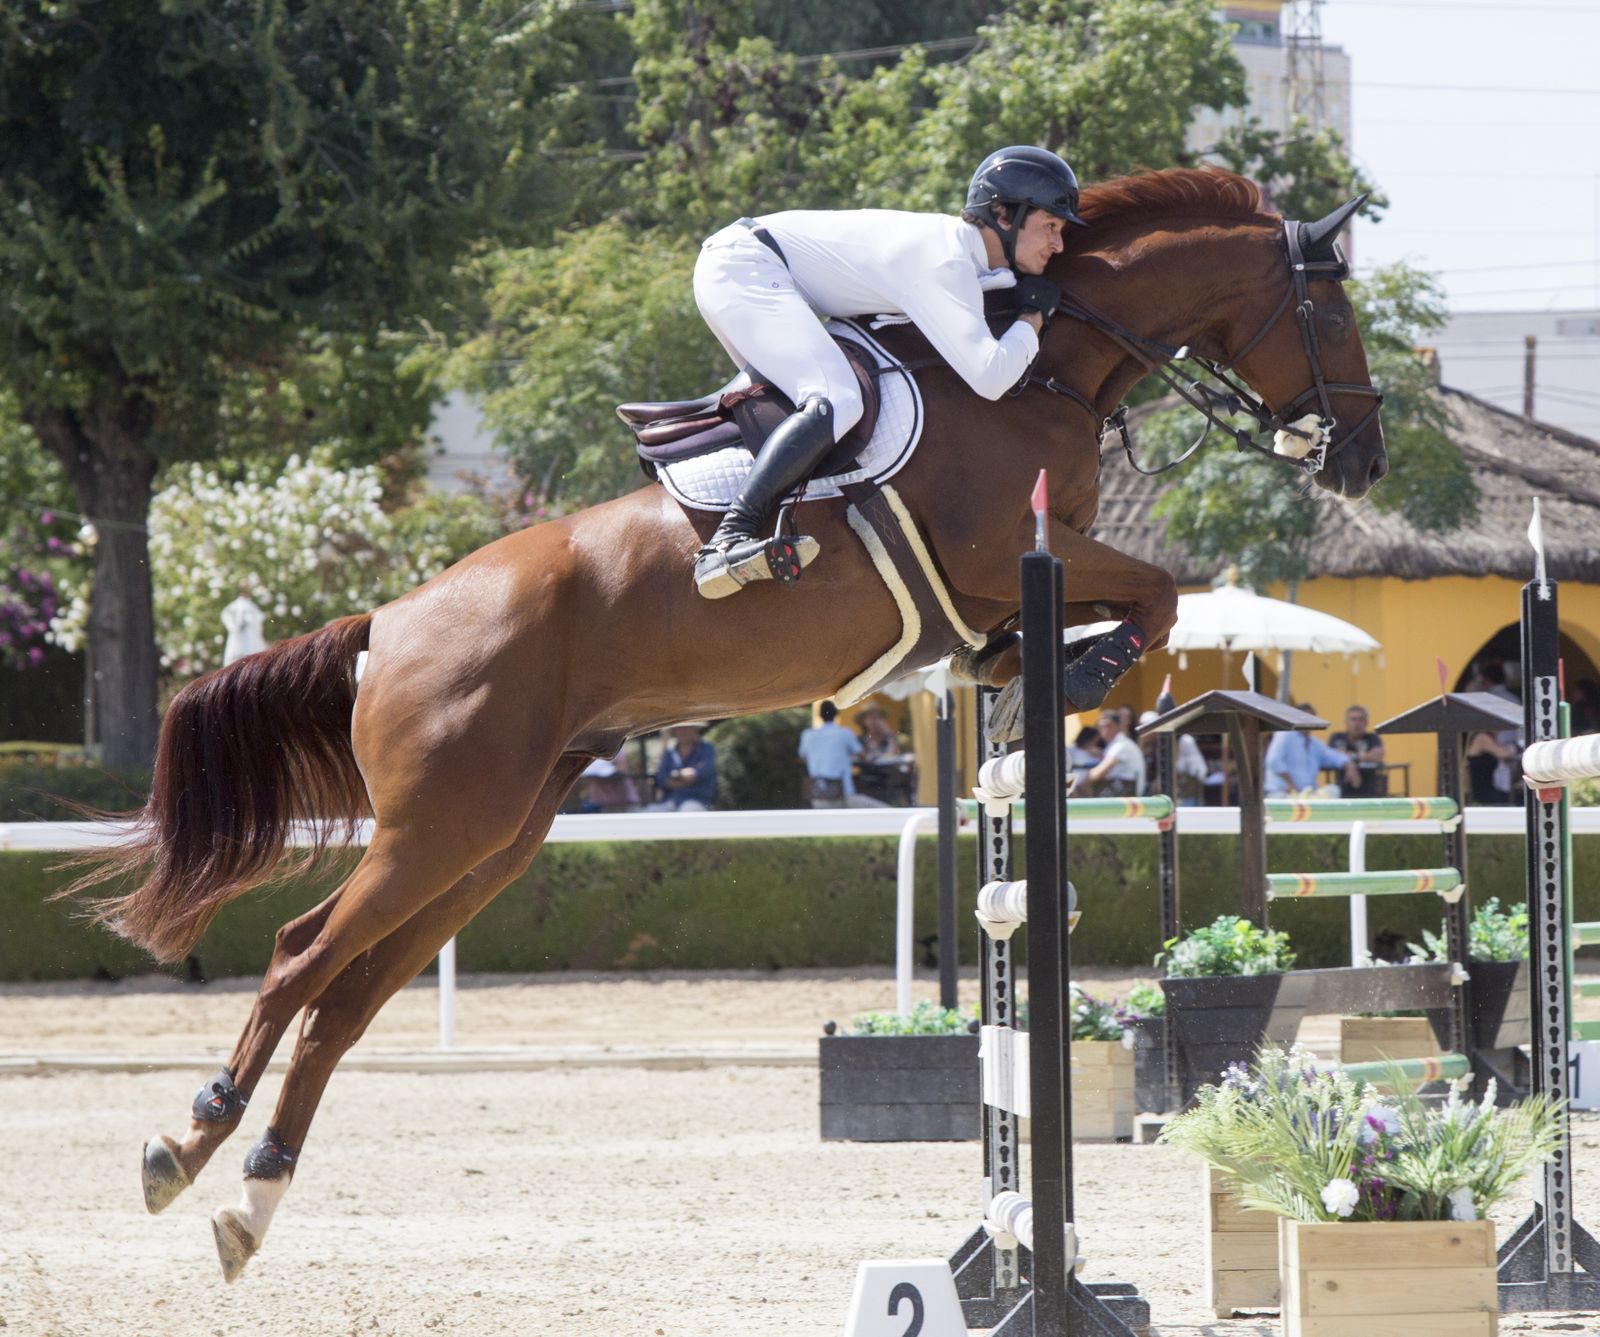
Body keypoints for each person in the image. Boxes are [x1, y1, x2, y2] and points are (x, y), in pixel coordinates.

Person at [690, 145, 1086, 598]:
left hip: (754, 266)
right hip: (746, 267)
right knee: (836, 398)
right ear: (1002, 214)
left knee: (821, 413)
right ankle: (726, 541)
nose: (1058, 244)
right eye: (1050, 227)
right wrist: (1033, 318)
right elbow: (992, 378)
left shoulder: (962, 256)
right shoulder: (944, 260)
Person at [798, 700, 885, 807]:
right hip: (843, 795)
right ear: (836, 714)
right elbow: (864, 756)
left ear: (819, 715)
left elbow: (803, 757)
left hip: (818, 795)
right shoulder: (845, 733)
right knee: (884, 810)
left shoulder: (807, 735)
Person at [1263, 704, 1360, 797]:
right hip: (1282, 793)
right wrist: (1291, 786)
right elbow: (1273, 761)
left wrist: (1349, 765)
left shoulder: (1315, 744)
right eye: (1304, 717)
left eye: (1311, 717)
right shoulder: (1284, 735)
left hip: (1307, 795)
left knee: (1334, 790)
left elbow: (1334, 757)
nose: (1307, 721)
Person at [1137, 709, 1207, 805]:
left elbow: (1198, 770)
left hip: (1187, 791)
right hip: (1166, 793)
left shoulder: (1184, 740)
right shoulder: (1153, 744)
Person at [648, 723, 717, 812]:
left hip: (698, 801)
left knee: (687, 810)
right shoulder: (669, 752)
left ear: (695, 729)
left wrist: (675, 776)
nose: (683, 731)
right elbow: (661, 779)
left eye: (687, 727)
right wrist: (686, 778)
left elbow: (702, 773)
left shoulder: (706, 749)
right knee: (650, 812)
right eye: (679, 728)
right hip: (670, 801)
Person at [1081, 709, 1144, 797]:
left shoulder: (1121, 744)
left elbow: (1099, 772)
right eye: (1101, 726)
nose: (1105, 729)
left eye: (1109, 726)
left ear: (1118, 726)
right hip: (1122, 788)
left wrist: (1080, 784)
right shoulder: (1115, 744)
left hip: (1128, 791)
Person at [1328, 704, 1385, 797]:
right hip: (1342, 792)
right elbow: (1331, 755)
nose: (1357, 724)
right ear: (1346, 722)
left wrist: (1352, 756)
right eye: (1353, 719)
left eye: (1360, 720)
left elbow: (1378, 755)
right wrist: (1353, 763)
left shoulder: (1372, 738)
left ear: (1366, 723)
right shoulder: (1337, 737)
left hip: (1368, 792)